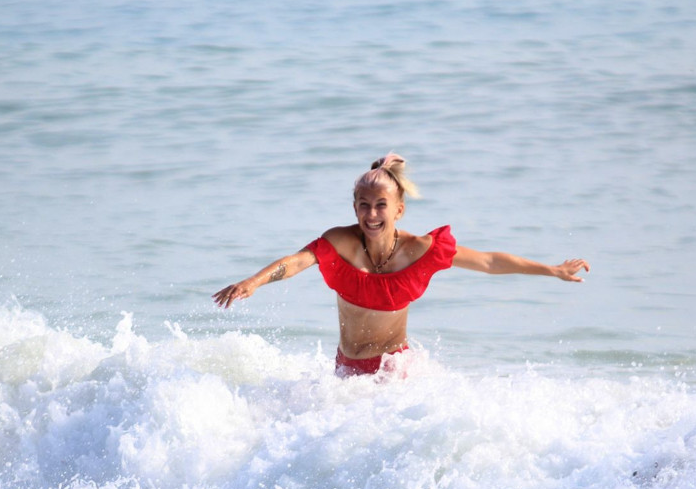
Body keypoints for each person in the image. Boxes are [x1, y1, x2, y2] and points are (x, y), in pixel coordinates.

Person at [214, 154, 590, 377]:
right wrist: (254, 282)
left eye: (381, 205)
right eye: (363, 204)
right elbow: (296, 261)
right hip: (345, 368)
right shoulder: (341, 243)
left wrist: (552, 270)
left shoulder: (419, 250)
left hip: (394, 372)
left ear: (399, 209)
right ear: (354, 207)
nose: (372, 214)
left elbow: (489, 262)